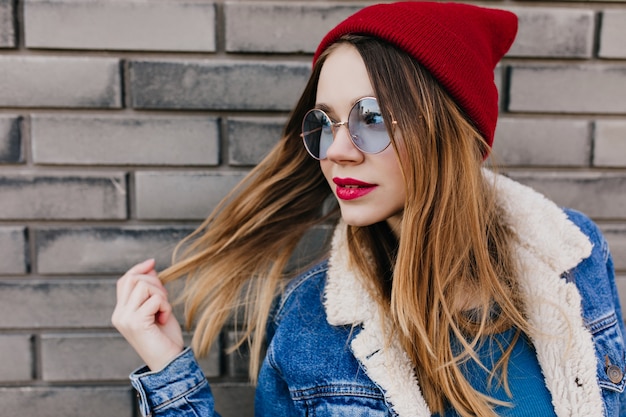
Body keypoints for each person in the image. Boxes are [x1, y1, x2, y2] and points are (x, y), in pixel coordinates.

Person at [112, 2, 626, 416]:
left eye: (372, 118)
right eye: (326, 122)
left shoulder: (574, 258)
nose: (336, 151)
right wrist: (169, 372)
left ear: (451, 130)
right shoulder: (311, 324)